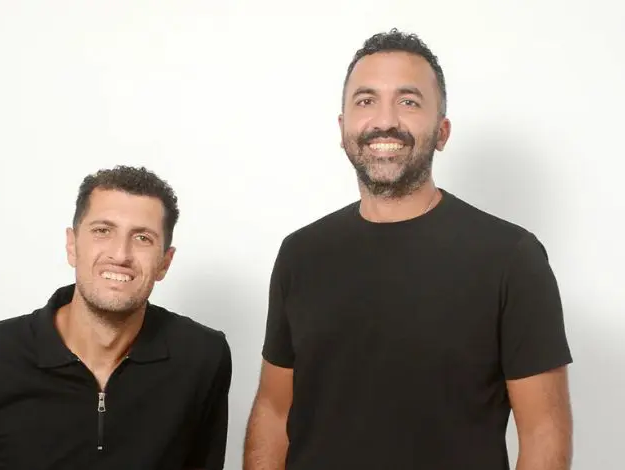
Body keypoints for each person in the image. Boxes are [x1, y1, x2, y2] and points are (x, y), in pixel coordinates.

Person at [243, 29, 573, 470]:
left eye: (409, 101)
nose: (385, 120)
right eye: (366, 100)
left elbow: (543, 434)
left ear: (442, 131)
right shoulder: (300, 255)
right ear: (342, 129)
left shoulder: (511, 258)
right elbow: (273, 411)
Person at [0, 165, 232, 470]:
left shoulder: (201, 356)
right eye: (103, 231)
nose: (120, 254)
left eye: (142, 238)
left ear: (164, 263)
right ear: (72, 245)